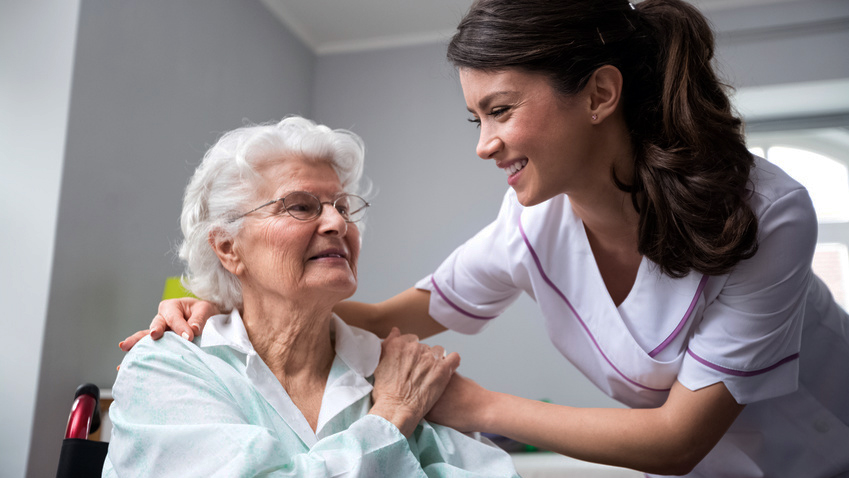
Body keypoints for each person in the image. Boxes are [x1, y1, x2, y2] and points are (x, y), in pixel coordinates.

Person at [122, 0, 849, 476]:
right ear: (227, 246)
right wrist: (220, 307)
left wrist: (461, 404)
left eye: (499, 110)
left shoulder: (765, 211)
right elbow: (376, 319)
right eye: (477, 119)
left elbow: (677, 437)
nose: (485, 144)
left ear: (598, 95)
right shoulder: (529, 228)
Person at [104, 116, 520, 477]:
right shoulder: (167, 366)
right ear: (228, 248)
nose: (337, 222)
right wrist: (391, 416)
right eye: (301, 207)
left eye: (343, 206)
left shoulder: (398, 368)